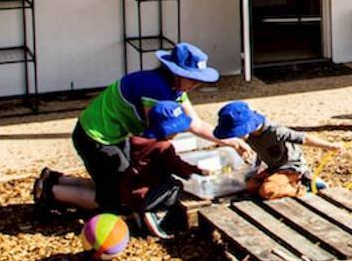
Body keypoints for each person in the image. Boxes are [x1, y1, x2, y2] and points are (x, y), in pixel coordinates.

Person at [36, 42, 249, 214]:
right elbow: (155, 135)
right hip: (97, 138)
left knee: (116, 182)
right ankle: (49, 191)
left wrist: (229, 140)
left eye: (199, 80)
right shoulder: (156, 90)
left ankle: (56, 179)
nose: (196, 84)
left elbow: (195, 123)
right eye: (192, 78)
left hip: (111, 135)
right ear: (175, 72)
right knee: (117, 200)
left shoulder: (175, 88)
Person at [36, 101, 211, 237]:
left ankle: (54, 181)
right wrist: (197, 171)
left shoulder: (137, 138)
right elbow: (179, 167)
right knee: (174, 185)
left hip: (128, 183)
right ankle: (154, 213)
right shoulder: (163, 147)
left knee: (101, 187)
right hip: (141, 194)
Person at [215, 100, 342, 200]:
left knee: (268, 191)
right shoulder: (250, 135)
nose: (235, 137)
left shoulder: (275, 131)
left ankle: (304, 186)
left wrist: (329, 146)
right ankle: (279, 183)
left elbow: (303, 138)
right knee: (248, 186)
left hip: (291, 168)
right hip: (273, 168)